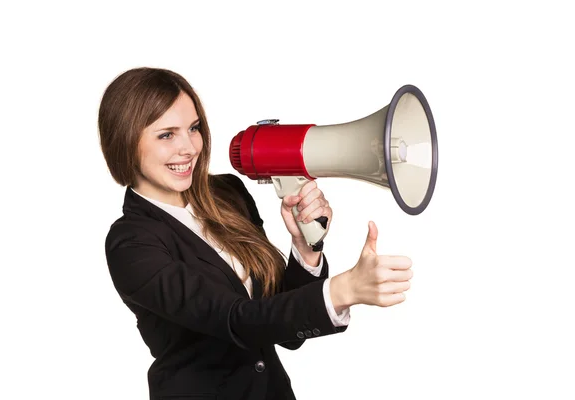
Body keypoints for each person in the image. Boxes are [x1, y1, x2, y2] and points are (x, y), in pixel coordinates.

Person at [98, 67, 413, 400]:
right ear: (126, 141)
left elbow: (284, 329)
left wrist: (305, 248)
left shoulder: (226, 193)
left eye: (194, 128)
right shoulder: (130, 243)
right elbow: (238, 321)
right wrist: (343, 290)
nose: (190, 147)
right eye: (167, 135)